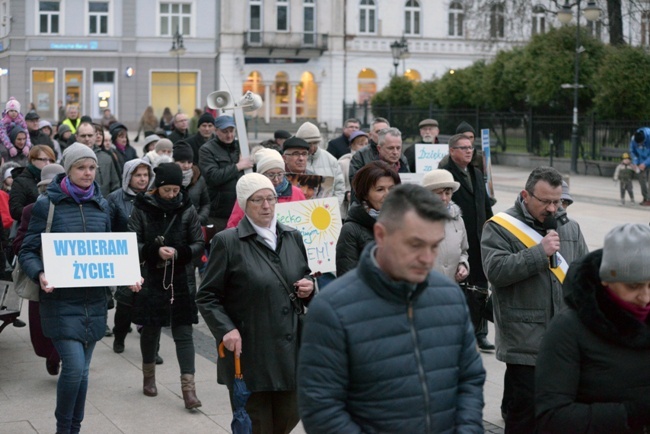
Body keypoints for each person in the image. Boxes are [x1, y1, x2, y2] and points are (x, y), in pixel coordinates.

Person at [298, 183, 485, 433]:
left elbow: (470, 378)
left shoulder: (449, 295)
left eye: (434, 245)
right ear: (381, 235)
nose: (428, 258)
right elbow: (321, 408)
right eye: (415, 244)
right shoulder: (332, 309)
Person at [197, 173, 314, 433]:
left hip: (291, 352)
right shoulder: (228, 242)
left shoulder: (292, 236)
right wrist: (226, 329)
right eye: (257, 200)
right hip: (252, 354)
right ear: (243, 205)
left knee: (288, 418)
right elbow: (207, 295)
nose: (266, 206)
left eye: (271, 198)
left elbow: (303, 274)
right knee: (257, 426)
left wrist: (310, 287)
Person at [481, 166, 589, 434]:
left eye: (558, 201)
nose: (553, 209)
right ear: (525, 195)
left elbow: (584, 276)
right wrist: (539, 254)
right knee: (524, 419)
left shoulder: (570, 227)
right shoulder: (500, 227)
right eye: (546, 202)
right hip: (524, 344)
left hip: (564, 343)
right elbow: (496, 271)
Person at [19, 143, 112, 434]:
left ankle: (75, 427)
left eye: (92, 167)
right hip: (60, 302)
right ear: (68, 170)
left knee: (82, 372)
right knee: (73, 368)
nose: (87, 173)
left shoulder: (102, 204)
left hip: (94, 302)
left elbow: (109, 251)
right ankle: (64, 428)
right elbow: (28, 250)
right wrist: (40, 273)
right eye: (81, 167)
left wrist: (127, 275)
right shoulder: (48, 205)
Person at [535, 223, 650, 433]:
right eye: (633, 286)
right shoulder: (568, 328)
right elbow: (551, 417)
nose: (645, 297)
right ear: (607, 279)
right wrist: (632, 414)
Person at [128, 163, 204, 409]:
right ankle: (148, 376)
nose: (173, 195)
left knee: (184, 332)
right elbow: (132, 243)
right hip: (151, 278)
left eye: (176, 190)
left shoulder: (187, 207)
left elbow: (198, 243)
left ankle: (189, 389)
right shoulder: (141, 207)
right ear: (157, 188)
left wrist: (179, 253)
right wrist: (154, 251)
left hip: (180, 279)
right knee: (150, 330)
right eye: (167, 190)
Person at [441, 133, 494, 352]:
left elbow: (486, 206)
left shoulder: (476, 172)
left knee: (480, 288)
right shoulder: (446, 176)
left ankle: (480, 333)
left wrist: (493, 228)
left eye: (470, 147)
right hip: (458, 239)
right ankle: (463, 333)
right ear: (452, 151)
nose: (469, 151)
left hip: (480, 239)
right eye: (463, 148)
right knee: (463, 288)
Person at [13, 163, 65, 375]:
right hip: (42, 275)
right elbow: (20, 244)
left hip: (69, 273)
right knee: (42, 323)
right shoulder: (32, 210)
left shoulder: (74, 208)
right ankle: (51, 355)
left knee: (67, 321)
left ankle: (59, 355)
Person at [108, 159, 153, 354]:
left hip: (150, 256)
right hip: (125, 256)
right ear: (128, 177)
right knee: (126, 303)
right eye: (138, 175)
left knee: (150, 302)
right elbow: (107, 229)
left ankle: (151, 347)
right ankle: (119, 336)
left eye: (145, 175)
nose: (143, 179)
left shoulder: (153, 197)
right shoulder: (115, 199)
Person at [336, 160, 400, 276]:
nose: (387, 194)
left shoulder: (405, 223)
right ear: (365, 194)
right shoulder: (351, 229)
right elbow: (347, 279)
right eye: (380, 189)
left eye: (392, 188)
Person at [199, 115, 253, 235]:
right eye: (224, 132)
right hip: (218, 213)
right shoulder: (207, 149)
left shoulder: (242, 146)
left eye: (231, 131)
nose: (229, 135)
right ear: (216, 131)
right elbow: (213, 177)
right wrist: (238, 166)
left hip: (241, 208)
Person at [226, 148, 306, 228]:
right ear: (261, 175)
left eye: (280, 174)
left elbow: (306, 221)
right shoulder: (249, 193)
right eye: (271, 175)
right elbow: (233, 225)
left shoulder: (297, 192)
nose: (276, 179)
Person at [422, 169, 470, 283]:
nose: (444, 198)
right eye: (438, 193)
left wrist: (463, 265)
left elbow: (463, 251)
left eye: (447, 193)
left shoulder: (458, 220)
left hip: (451, 288)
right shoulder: (415, 221)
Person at [296, 121, 346, 206]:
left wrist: (333, 207)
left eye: (314, 143)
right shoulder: (293, 159)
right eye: (307, 144)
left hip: (325, 212)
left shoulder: (331, 160)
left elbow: (339, 189)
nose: (311, 147)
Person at [9, 145, 55, 221]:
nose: (48, 163)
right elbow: (15, 211)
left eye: (51, 160)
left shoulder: (56, 181)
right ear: (32, 160)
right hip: (30, 228)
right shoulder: (21, 182)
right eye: (44, 160)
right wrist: (40, 212)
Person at [75, 122, 120, 198]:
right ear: (76, 137)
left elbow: (115, 185)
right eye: (83, 136)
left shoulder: (106, 158)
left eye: (90, 135)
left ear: (95, 136)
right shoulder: (68, 158)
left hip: (103, 205)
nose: (87, 139)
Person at [173, 142, 210, 226]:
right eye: (182, 162)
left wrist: (199, 219)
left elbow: (205, 203)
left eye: (189, 162)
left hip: (195, 225)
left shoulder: (198, 179)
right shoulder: (168, 177)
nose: (186, 165)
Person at [338, 129, 370, 218]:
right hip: (346, 209)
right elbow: (337, 185)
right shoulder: (343, 163)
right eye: (360, 144)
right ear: (352, 145)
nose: (364, 147)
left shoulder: (371, 162)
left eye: (366, 144)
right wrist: (346, 194)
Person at [629, 127, 650, 205]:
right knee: (641, 179)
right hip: (641, 160)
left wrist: (645, 163)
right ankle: (646, 198)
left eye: (641, 143)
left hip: (647, 159)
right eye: (638, 144)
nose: (640, 145)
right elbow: (632, 151)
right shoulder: (634, 139)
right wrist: (635, 163)